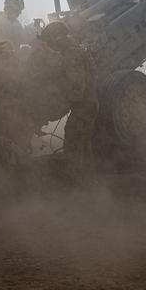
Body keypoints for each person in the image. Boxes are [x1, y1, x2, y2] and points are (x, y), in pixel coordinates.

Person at [38, 21, 98, 178]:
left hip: (83, 107)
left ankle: (77, 180)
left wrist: (56, 106)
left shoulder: (71, 56)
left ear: (58, 39)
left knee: (74, 141)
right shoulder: (74, 52)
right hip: (86, 105)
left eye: (50, 42)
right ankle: (87, 179)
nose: (50, 47)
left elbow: (76, 89)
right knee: (83, 143)